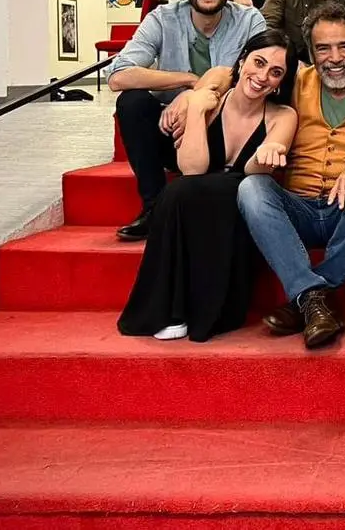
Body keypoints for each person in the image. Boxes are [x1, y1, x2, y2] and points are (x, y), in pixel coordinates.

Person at [236, 2, 345, 349]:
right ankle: (316, 297)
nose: (335, 57)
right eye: (323, 48)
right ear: (311, 52)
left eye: (344, 46)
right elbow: (238, 81)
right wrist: (197, 96)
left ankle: (308, 297)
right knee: (251, 187)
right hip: (296, 208)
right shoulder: (293, 81)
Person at [118, 31, 297, 342]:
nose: (263, 76)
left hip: (241, 206)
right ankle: (169, 310)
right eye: (259, 63)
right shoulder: (212, 98)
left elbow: (253, 173)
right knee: (180, 192)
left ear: (281, 82)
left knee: (185, 192)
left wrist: (267, 153)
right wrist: (197, 109)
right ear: (242, 61)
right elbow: (192, 168)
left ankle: (195, 313)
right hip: (196, 200)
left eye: (275, 72)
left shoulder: (283, 115)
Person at [108, 0, 266, 241]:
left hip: (226, 134)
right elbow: (118, 76)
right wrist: (187, 82)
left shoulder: (250, 20)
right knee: (132, 102)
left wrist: (195, 100)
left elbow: (258, 77)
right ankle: (155, 207)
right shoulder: (162, 19)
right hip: (174, 132)